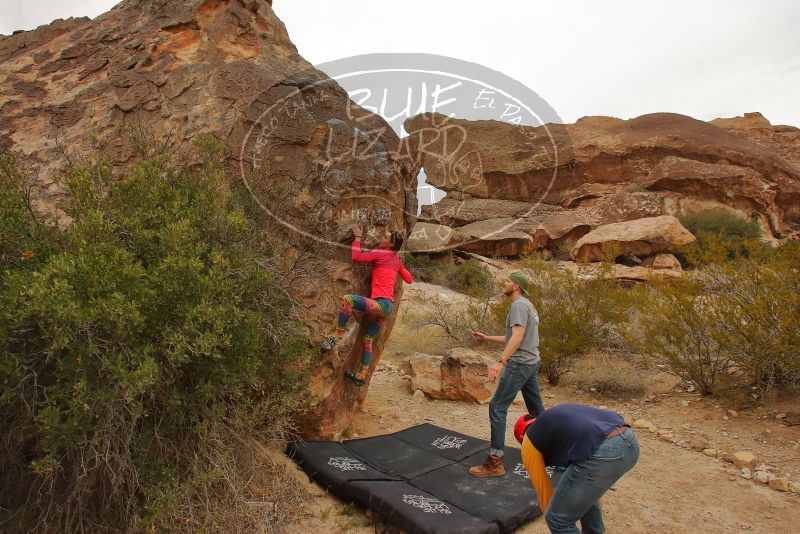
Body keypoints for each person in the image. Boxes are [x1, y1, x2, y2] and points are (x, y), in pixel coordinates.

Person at [515, 404, 639, 534]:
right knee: (585, 491)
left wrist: (554, 515)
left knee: (556, 519)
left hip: (604, 451)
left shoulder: (528, 441)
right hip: (630, 441)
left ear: (521, 438)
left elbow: (544, 494)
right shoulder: (558, 425)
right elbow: (585, 489)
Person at [468, 271, 544, 477]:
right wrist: (486, 338)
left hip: (519, 364)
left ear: (516, 286)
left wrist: (501, 362)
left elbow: (518, 337)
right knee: (538, 412)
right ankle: (552, 451)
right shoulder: (528, 305)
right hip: (532, 362)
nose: (505, 283)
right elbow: (513, 336)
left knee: (497, 407)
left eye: (509, 281)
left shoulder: (518, 305)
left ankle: (495, 463)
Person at [321, 225, 413, 387]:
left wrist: (357, 238)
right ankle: (362, 375)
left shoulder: (381, 253)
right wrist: (399, 266)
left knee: (348, 299)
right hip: (387, 308)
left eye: (385, 237)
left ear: (390, 244)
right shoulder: (396, 260)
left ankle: (336, 336)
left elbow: (357, 257)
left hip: (380, 304)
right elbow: (409, 279)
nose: (381, 238)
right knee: (368, 339)